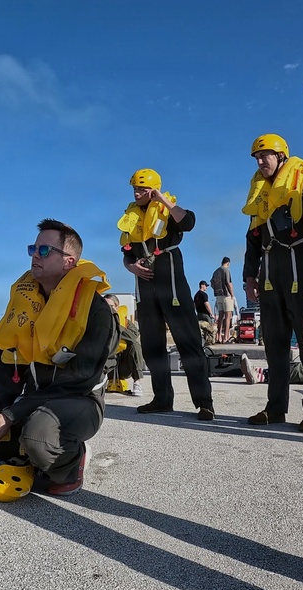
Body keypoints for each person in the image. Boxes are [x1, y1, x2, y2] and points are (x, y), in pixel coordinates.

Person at [0, 219, 117, 496]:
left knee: (38, 438)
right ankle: (24, 450)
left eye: (45, 250)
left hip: (78, 400)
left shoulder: (95, 311)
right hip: (28, 405)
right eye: (33, 248)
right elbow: (5, 368)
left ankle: (73, 458)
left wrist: (10, 417)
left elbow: (80, 380)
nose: (35, 254)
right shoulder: (25, 306)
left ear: (69, 261)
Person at [118, 168, 214, 420]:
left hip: (172, 284)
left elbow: (189, 222)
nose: (137, 193)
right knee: (152, 345)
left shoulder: (167, 210)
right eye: (134, 189)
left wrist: (163, 200)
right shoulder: (131, 216)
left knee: (189, 342)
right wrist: (131, 266)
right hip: (145, 287)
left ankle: (205, 402)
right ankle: (162, 399)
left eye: (142, 189)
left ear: (153, 189)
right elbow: (127, 253)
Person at [242, 133, 303, 430]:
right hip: (271, 279)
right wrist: (250, 276)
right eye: (257, 158)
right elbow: (253, 240)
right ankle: (275, 409)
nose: (260, 162)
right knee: (274, 346)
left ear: (282, 157)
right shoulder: (260, 198)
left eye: (266, 156)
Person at [104, 293, 144, 396]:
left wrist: (117, 327)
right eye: (105, 305)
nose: (108, 309)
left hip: (123, 365)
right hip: (105, 366)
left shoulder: (126, 322)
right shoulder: (98, 321)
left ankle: (137, 382)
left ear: (117, 307)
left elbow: (133, 336)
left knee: (135, 344)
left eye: (111, 306)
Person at [211, 257, 235, 343]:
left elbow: (212, 283)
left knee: (220, 316)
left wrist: (216, 289)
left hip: (218, 295)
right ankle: (225, 337)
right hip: (226, 295)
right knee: (228, 316)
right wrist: (232, 294)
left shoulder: (215, 271)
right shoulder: (226, 270)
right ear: (228, 263)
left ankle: (218, 336)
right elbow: (228, 283)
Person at [194, 280, 218, 345]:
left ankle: (202, 342)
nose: (206, 288)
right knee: (210, 329)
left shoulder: (196, 295)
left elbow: (194, 305)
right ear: (202, 285)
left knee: (201, 329)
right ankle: (209, 342)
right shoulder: (204, 294)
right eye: (206, 286)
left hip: (199, 314)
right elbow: (207, 304)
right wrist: (211, 314)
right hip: (205, 314)